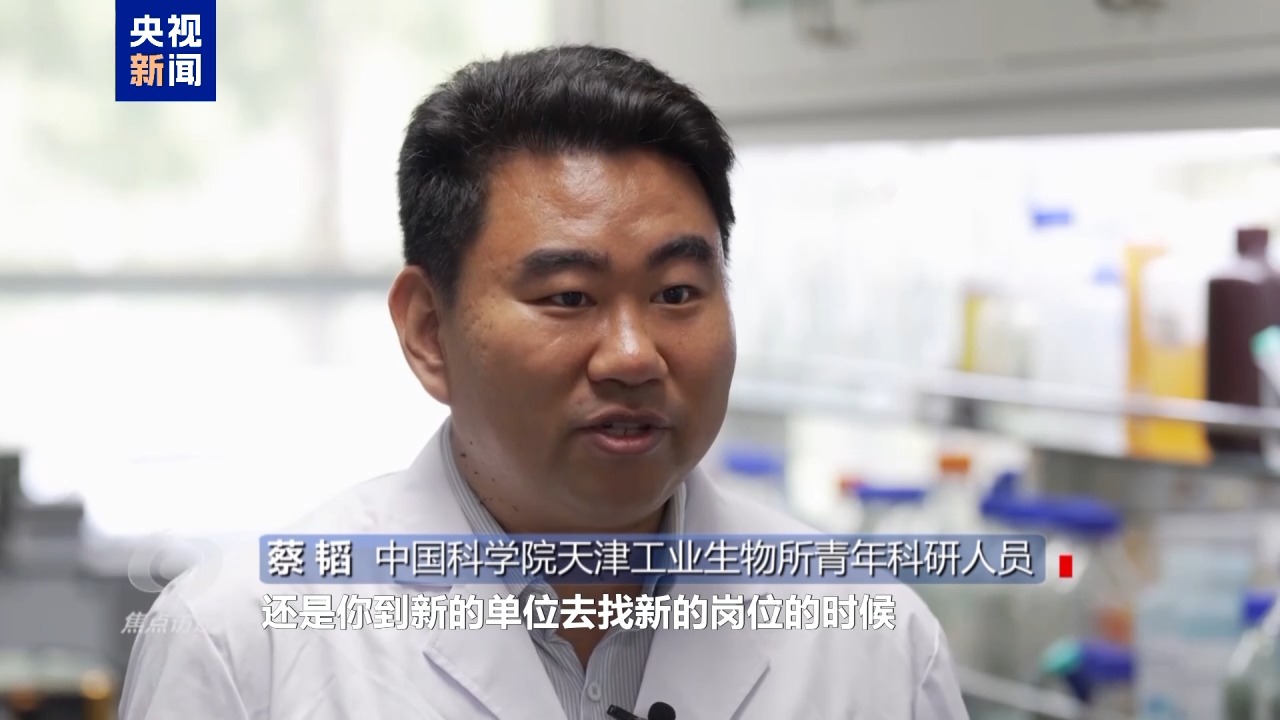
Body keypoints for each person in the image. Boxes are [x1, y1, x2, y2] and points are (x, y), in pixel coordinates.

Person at [118, 44, 969, 720]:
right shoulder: (240, 640)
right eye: (568, 297)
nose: (633, 356)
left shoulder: (876, 640)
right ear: (428, 331)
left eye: (678, 293)